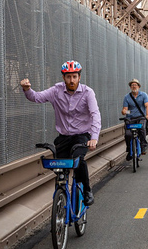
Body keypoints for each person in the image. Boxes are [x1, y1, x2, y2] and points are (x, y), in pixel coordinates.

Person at [20, 60, 100, 206]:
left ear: (79, 77)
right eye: (68, 77)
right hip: (63, 137)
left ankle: (87, 190)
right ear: (64, 77)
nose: (71, 80)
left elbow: (95, 115)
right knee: (60, 167)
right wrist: (27, 90)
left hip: (82, 136)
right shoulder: (56, 91)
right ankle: (61, 197)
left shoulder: (88, 93)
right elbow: (37, 97)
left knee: (78, 160)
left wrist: (94, 137)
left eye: (74, 77)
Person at [121, 78, 148, 160]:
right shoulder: (127, 97)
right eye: (132, 85)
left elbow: (147, 105)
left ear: (138, 86)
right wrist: (124, 112)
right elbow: (125, 109)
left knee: (142, 129)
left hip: (141, 117)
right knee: (128, 134)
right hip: (130, 118)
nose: (134, 86)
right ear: (130, 87)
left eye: (135, 85)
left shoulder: (143, 95)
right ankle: (129, 150)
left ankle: (143, 146)